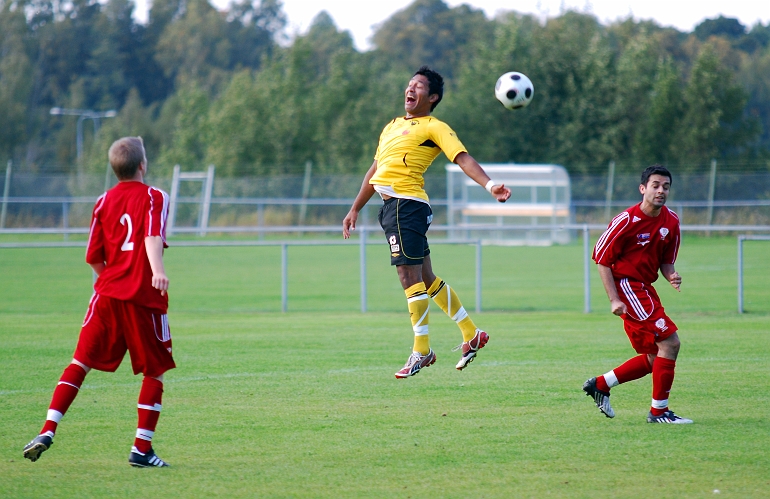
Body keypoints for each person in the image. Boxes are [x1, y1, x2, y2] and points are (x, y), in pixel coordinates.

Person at [342, 66, 511, 378]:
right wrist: (355, 208)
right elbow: (375, 170)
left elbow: (462, 158)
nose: (410, 89)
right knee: (427, 277)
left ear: (432, 97)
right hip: (393, 207)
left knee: (409, 278)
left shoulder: (435, 127)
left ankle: (422, 350)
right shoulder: (391, 127)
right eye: (409, 84)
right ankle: (471, 332)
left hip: (406, 205)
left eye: (418, 86)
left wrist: (490, 186)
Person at [23, 136, 176, 467]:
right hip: (142, 297)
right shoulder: (155, 196)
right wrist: (157, 271)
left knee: (80, 362)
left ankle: (48, 429)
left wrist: (114, 279)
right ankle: (141, 449)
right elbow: (151, 235)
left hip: (105, 295)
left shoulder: (103, 200)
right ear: (142, 165)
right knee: (155, 370)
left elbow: (93, 257)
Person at [583, 165, 692, 424]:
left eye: (665, 186)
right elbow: (601, 259)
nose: (661, 190)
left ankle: (601, 384)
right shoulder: (626, 220)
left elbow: (666, 261)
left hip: (645, 288)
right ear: (643, 188)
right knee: (670, 343)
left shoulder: (672, 221)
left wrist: (671, 276)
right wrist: (614, 299)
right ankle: (659, 412)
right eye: (655, 185)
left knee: (658, 354)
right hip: (628, 287)